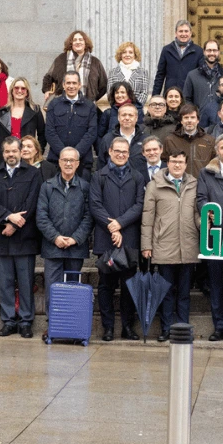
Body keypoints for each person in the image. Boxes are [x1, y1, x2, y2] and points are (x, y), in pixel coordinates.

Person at [0, 136, 44, 339]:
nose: (11, 154)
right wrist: (7, 218)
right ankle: (9, 320)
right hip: (2, 237)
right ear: (3, 154)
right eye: (7, 151)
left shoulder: (33, 174)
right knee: (6, 282)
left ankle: (26, 321)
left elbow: (33, 201)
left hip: (24, 237)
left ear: (21, 152)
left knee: (26, 281)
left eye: (14, 151)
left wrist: (15, 224)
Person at [90, 136, 145, 341]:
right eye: (117, 151)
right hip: (107, 240)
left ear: (129, 154)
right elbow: (95, 204)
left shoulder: (138, 177)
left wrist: (120, 224)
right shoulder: (99, 176)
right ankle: (108, 328)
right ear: (110, 153)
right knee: (105, 286)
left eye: (124, 151)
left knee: (129, 287)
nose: (121, 154)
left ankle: (127, 327)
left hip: (129, 238)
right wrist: (112, 227)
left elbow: (139, 205)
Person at [142, 150, 199, 341]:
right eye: (174, 161)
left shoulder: (193, 185)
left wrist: (204, 222)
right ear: (168, 162)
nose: (177, 165)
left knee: (184, 293)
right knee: (165, 292)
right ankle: (166, 329)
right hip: (164, 245)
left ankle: (182, 329)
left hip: (188, 246)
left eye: (181, 162)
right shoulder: (154, 185)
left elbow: (197, 214)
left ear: (186, 164)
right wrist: (146, 245)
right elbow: (148, 217)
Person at [36, 147, 93, 340]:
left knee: (73, 289)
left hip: (76, 248)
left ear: (77, 164)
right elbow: (41, 216)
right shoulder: (47, 186)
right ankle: (53, 326)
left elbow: (88, 216)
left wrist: (75, 238)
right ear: (58, 162)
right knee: (53, 288)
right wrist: (56, 237)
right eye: (64, 160)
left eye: (72, 160)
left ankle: (72, 326)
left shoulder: (85, 187)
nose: (68, 163)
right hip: (53, 247)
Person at [0, 76, 47, 170]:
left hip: (27, 157)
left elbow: (42, 134)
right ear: (12, 91)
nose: (19, 91)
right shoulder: (3, 112)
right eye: (16, 88)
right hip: (6, 156)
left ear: (27, 92)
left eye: (23, 88)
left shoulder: (35, 111)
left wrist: (36, 153)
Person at [44, 71, 99, 169]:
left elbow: (92, 132)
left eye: (74, 83)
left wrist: (76, 153)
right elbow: (49, 131)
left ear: (79, 85)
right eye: (68, 83)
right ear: (63, 85)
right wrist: (63, 153)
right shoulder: (53, 105)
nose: (71, 86)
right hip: (57, 161)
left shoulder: (90, 106)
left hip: (83, 161)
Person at [43, 30, 107, 103]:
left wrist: (93, 97)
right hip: (63, 104)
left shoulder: (95, 62)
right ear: (71, 44)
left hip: (87, 105)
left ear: (85, 43)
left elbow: (104, 85)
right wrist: (47, 90)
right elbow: (48, 77)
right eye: (75, 40)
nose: (78, 42)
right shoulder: (61, 59)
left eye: (81, 40)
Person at [163, 103, 215, 177]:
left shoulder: (209, 141)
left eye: (192, 117)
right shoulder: (170, 140)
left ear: (198, 120)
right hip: (179, 185)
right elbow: (164, 163)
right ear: (181, 121)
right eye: (186, 117)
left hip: (202, 185)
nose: (189, 120)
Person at [97, 102, 148, 175]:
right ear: (118, 117)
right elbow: (100, 165)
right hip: (113, 183)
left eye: (130, 115)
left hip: (139, 184)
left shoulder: (145, 139)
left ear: (136, 118)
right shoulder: (107, 139)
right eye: (124, 115)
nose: (127, 118)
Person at [152, 20, 199, 96]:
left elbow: (200, 76)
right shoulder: (166, 50)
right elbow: (160, 75)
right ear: (176, 33)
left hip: (189, 95)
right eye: (180, 31)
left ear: (190, 33)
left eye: (186, 31)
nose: (183, 34)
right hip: (170, 94)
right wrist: (154, 96)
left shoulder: (198, 51)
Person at [182, 39, 223, 110]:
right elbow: (186, 98)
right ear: (204, 52)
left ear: (218, 52)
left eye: (214, 50)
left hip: (220, 118)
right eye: (209, 50)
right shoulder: (192, 75)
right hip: (199, 118)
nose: (212, 53)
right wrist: (194, 113)